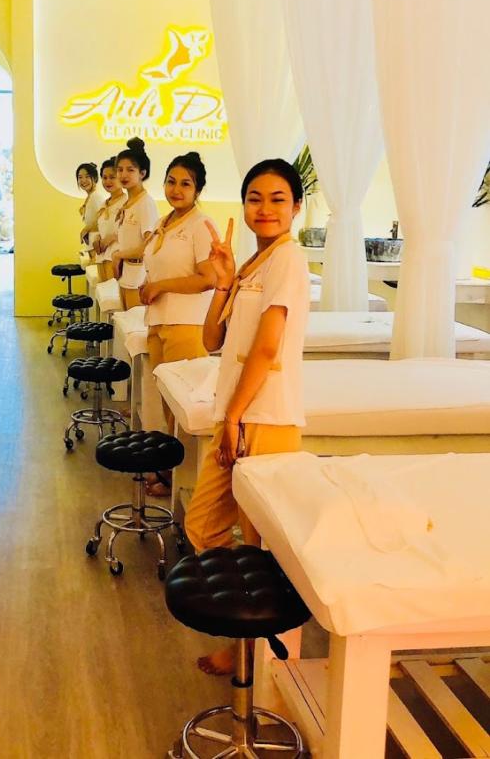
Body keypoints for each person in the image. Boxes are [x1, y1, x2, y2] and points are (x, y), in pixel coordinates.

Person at [184, 159, 309, 675]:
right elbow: (212, 340)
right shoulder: (256, 264)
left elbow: (268, 346)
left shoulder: (289, 259)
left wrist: (235, 417)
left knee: (263, 548)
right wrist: (222, 283)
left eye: (278, 199)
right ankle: (244, 644)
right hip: (236, 414)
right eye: (255, 198)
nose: (265, 208)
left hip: (266, 417)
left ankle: (260, 662)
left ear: (297, 207)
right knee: (203, 524)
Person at [140, 152, 217, 496]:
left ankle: (183, 481)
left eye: (186, 184)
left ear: (197, 190)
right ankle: (172, 471)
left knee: (184, 405)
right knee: (168, 403)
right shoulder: (165, 221)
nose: (176, 189)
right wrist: (150, 284)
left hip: (187, 323)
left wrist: (161, 286)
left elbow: (208, 278)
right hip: (159, 320)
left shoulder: (201, 225)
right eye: (171, 181)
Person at [112, 138, 159, 310]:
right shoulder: (129, 203)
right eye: (120, 169)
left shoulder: (145, 203)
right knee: (124, 323)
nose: (123, 175)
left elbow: (149, 247)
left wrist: (118, 255)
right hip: (126, 275)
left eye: (130, 170)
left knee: (133, 324)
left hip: (138, 278)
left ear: (142, 173)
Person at [94, 157, 126, 282]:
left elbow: (129, 231)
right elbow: (101, 228)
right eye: (104, 177)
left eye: (112, 177)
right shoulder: (104, 204)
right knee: (103, 291)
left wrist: (110, 238)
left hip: (116, 256)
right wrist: (97, 238)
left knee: (113, 291)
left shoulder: (126, 202)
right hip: (101, 255)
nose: (108, 181)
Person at [76, 162, 106, 244]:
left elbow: (104, 222)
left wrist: (86, 229)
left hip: (98, 244)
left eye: (87, 176)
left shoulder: (96, 197)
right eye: (80, 177)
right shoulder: (90, 197)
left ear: (95, 178)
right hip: (92, 243)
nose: (83, 180)